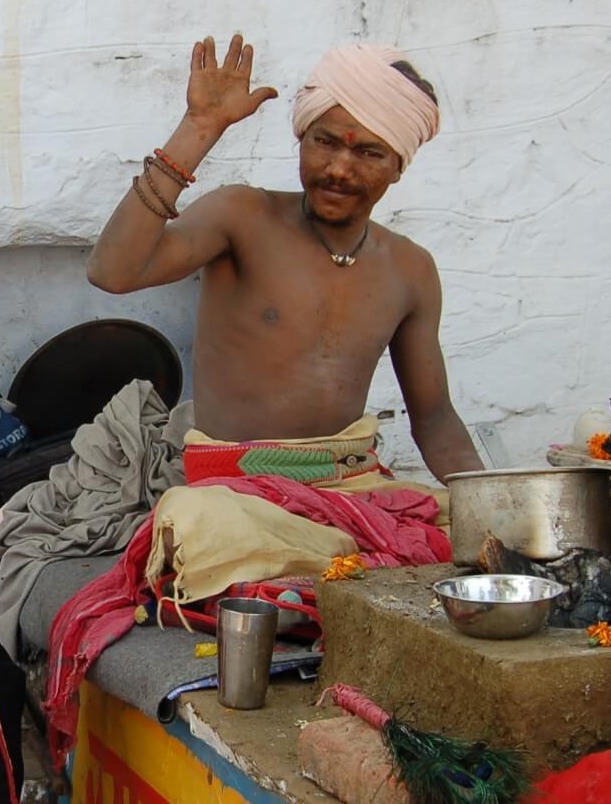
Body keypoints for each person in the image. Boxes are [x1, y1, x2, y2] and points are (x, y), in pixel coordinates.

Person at [87, 34, 485, 479]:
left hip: (350, 485)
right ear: (303, 137)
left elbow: (434, 420)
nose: (338, 168)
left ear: (397, 165)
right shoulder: (242, 216)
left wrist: (488, 501)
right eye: (325, 142)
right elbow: (112, 272)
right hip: (232, 488)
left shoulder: (411, 269)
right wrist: (199, 128)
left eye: (368, 152)